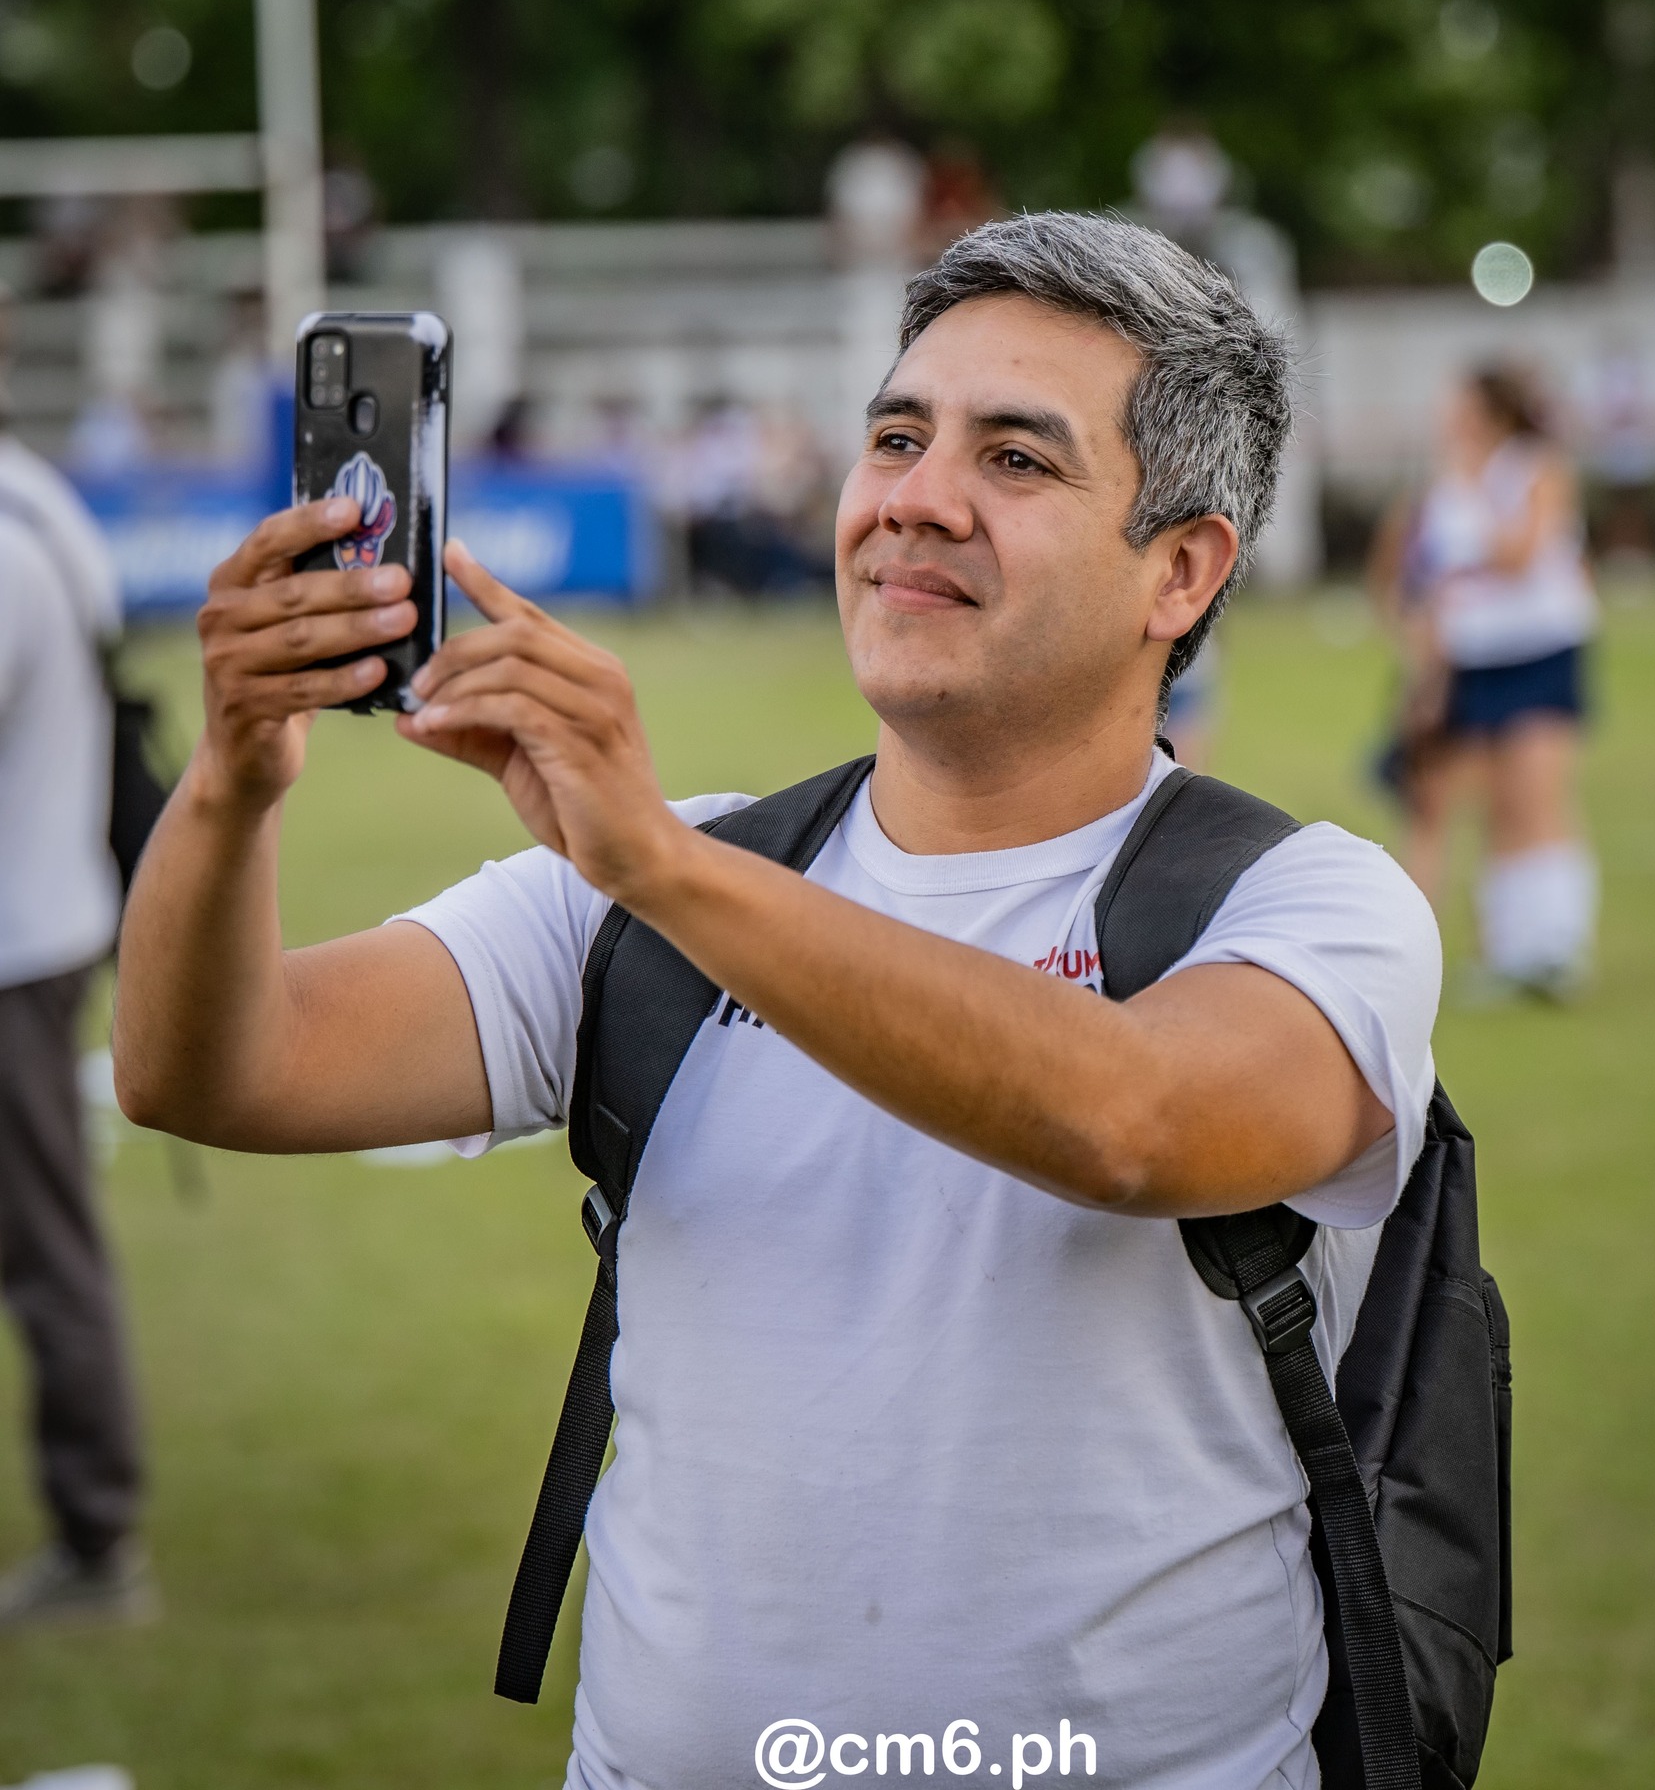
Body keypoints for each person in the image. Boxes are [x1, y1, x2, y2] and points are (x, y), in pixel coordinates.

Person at [115, 214, 1440, 1789]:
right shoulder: (645, 895)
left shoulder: (1304, 902)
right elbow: (217, 1071)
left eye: (1014, 462)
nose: (913, 500)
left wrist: (664, 864)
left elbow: (1129, 1121)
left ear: (1180, 569)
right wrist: (231, 784)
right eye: (895, 435)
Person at [0, 389, 153, 1630]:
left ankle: (99, 1538)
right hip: (49, 914)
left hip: (15, 945)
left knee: (45, 1245)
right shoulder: (40, 497)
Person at [1369, 365, 1599, 998]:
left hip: (1541, 649)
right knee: (1495, 807)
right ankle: (1509, 953)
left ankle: (1558, 949)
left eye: (1462, 406)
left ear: (1492, 412)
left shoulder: (1535, 467)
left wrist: (1470, 494)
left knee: (1537, 795)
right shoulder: (1446, 481)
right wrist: (1428, 665)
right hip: (1474, 658)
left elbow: (1522, 554)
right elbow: (1429, 575)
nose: (1449, 417)